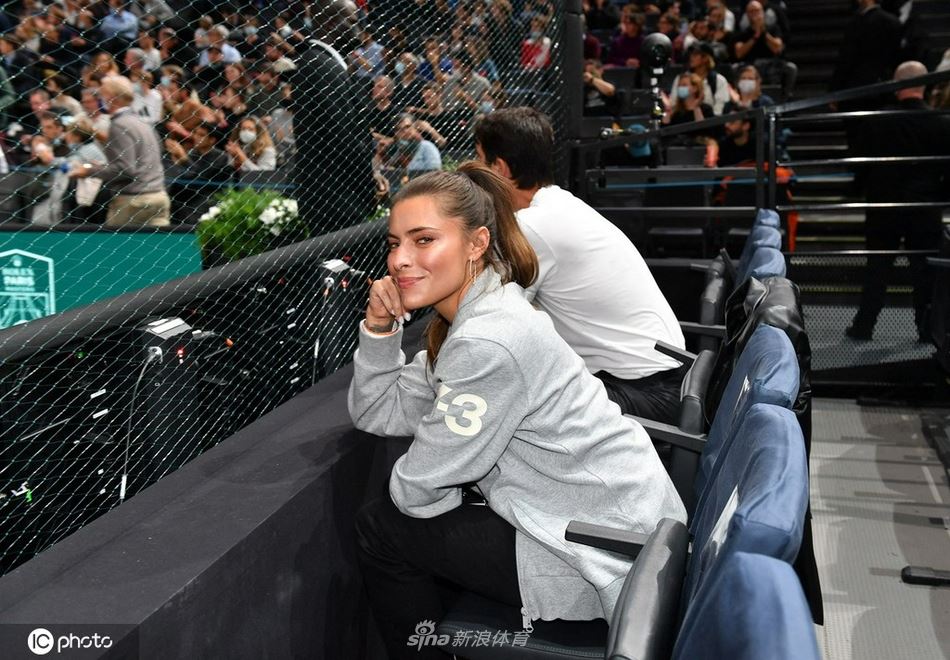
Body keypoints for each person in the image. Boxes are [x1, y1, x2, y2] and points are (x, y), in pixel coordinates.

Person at [351, 162, 686, 660]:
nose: (400, 260)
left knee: (382, 525)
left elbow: (417, 489)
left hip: (608, 552)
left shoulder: (488, 340)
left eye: (424, 240)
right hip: (621, 523)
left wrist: (455, 487)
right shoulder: (477, 315)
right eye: (394, 243)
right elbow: (377, 411)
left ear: (477, 243)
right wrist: (380, 329)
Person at [474, 108, 687, 423]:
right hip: (665, 380)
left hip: (645, 390)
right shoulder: (560, 204)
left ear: (500, 168)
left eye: (479, 159)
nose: (475, 168)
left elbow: (494, 315)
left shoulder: (533, 225)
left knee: (508, 402)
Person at [847, 61, 950, 342]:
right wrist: (938, 197)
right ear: (924, 84)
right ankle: (927, 330)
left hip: (884, 205)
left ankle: (864, 326)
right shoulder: (940, 121)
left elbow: (859, 165)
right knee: (925, 271)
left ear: (895, 84)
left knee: (877, 269)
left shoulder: (877, 120)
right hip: (923, 206)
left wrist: (864, 189)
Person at [69, 75, 170, 227]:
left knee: (117, 242)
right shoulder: (142, 121)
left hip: (133, 201)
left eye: (101, 94)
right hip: (158, 196)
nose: (99, 99)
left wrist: (88, 170)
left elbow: (124, 169)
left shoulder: (119, 124)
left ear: (111, 97)